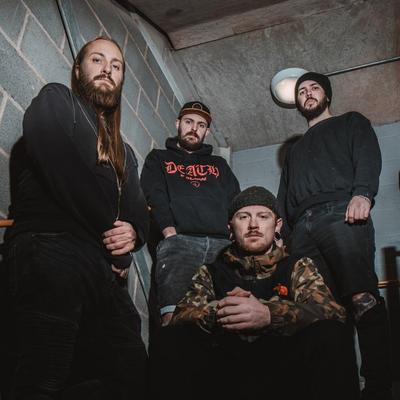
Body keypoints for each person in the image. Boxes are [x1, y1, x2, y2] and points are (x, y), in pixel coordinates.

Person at [2, 37, 149, 400]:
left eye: (116, 66)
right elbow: (59, 164)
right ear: (78, 70)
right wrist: (114, 242)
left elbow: (137, 211)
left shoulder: (125, 152)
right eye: (97, 60)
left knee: (130, 373)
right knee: (43, 375)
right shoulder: (57, 99)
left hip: (103, 273)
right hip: (52, 249)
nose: (107, 69)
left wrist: (133, 235)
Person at [150, 186, 359, 400]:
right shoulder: (211, 272)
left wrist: (269, 314)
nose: (253, 225)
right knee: (169, 338)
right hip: (226, 372)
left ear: (277, 225)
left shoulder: (297, 266)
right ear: (231, 228)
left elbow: (332, 312)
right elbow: (181, 315)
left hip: (283, 371)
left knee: (332, 333)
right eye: (243, 217)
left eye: (263, 216)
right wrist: (224, 312)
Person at [277, 71, 393, 400]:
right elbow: (284, 195)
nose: (308, 93)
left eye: (314, 88)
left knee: (362, 299)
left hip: (341, 213)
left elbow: (367, 157)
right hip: (301, 230)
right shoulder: (295, 151)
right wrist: (283, 234)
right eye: (302, 91)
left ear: (326, 95)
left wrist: (363, 194)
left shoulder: (351, 122)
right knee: (318, 312)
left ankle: (378, 388)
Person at [140, 101, 240, 326]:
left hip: (221, 246)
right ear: (178, 124)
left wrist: (234, 238)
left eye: (201, 125)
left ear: (207, 132)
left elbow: (235, 201)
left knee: (227, 317)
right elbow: (154, 195)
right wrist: (169, 233)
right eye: (189, 122)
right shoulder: (159, 158)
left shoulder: (219, 164)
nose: (194, 128)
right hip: (180, 242)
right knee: (174, 316)